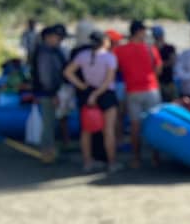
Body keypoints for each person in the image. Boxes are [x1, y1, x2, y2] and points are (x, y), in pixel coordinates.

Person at [63, 30, 120, 172]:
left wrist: (82, 86)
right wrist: (97, 93)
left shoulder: (82, 56)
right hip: (106, 94)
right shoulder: (109, 57)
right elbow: (108, 80)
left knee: (86, 131)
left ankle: (87, 162)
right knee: (108, 130)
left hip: (87, 92)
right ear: (104, 42)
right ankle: (112, 162)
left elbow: (68, 72)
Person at [113, 19, 162, 168]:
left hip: (132, 90)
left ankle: (136, 158)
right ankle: (155, 157)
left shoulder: (120, 50)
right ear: (139, 31)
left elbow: (116, 69)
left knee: (135, 125)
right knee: (155, 123)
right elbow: (158, 67)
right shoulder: (150, 48)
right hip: (151, 88)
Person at [30, 24, 68, 163]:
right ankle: (47, 152)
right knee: (48, 124)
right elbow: (45, 75)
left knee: (50, 123)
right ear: (48, 37)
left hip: (50, 92)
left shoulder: (51, 51)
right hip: (47, 93)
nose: (58, 40)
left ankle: (49, 150)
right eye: (56, 37)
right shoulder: (45, 53)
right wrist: (52, 93)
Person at [152, 25, 177, 102]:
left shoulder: (169, 47)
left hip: (168, 81)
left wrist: (159, 65)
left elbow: (173, 61)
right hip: (157, 83)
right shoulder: (152, 48)